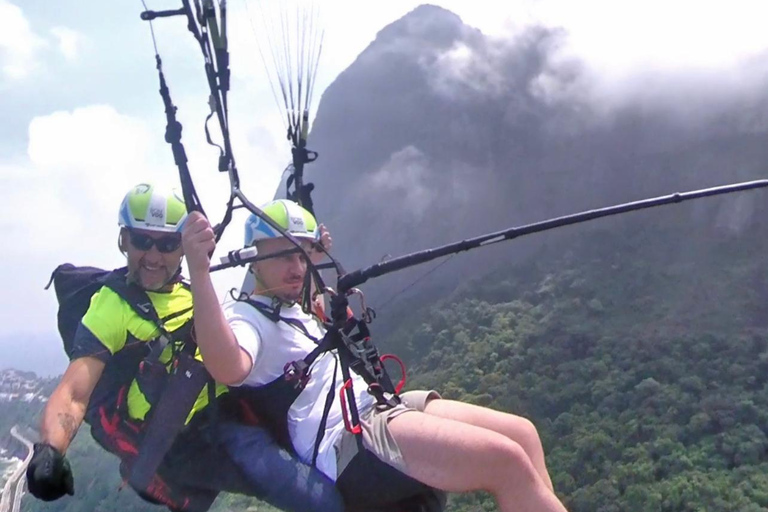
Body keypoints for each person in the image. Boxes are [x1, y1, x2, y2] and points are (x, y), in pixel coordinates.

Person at [182, 198, 570, 512]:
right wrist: (199, 274)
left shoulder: (291, 306)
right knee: (505, 461)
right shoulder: (246, 317)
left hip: (376, 407)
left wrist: (316, 258)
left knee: (523, 433)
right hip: (348, 443)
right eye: (284, 255)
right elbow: (227, 365)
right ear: (253, 257)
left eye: (303, 256)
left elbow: (307, 292)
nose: (296, 267)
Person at [26, 183, 344, 512]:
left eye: (166, 244)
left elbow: (273, 295)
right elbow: (74, 393)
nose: (152, 256)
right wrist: (50, 451)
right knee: (321, 500)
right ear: (123, 241)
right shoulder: (111, 307)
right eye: (141, 241)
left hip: (230, 412)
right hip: (187, 440)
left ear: (182, 248)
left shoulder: (192, 290)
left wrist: (308, 258)